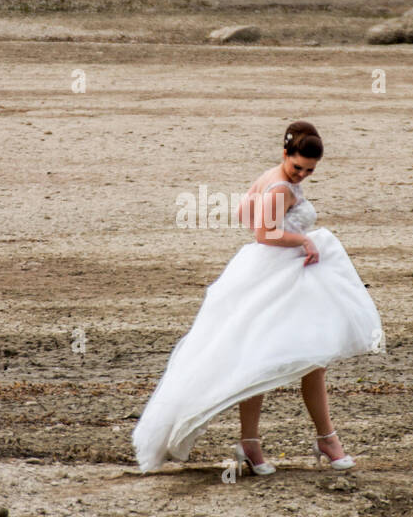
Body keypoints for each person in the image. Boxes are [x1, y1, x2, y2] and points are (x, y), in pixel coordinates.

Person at [132, 120, 383, 475]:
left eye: (309, 171)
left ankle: (271, 442)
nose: (301, 176)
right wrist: (303, 240)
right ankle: (309, 440)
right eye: (297, 167)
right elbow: (265, 233)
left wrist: (290, 233)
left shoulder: (268, 178)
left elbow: (244, 215)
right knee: (285, 360)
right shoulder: (281, 188)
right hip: (280, 275)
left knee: (279, 359)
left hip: (268, 272)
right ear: (286, 154)